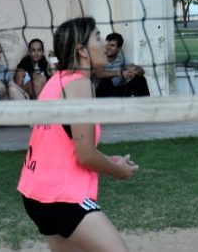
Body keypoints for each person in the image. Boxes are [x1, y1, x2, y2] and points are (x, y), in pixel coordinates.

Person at [18, 16, 138, 251]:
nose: (104, 43)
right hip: (62, 198)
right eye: (97, 37)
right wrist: (117, 170)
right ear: (82, 50)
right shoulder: (81, 86)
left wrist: (107, 158)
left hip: (34, 195)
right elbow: (85, 156)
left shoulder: (56, 82)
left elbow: (66, 144)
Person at [94, 33, 150, 97]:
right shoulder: (99, 57)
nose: (108, 47)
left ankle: (145, 102)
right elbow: (99, 74)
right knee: (106, 81)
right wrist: (120, 73)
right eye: (107, 45)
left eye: (112, 45)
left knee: (140, 78)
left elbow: (141, 71)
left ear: (119, 49)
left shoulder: (122, 60)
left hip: (117, 91)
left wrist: (131, 72)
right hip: (101, 91)